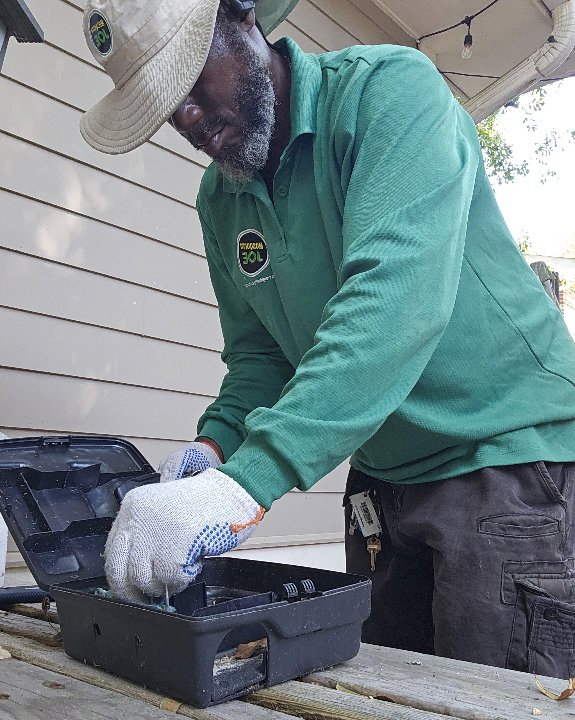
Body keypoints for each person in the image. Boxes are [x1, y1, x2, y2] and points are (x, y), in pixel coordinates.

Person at [81, 0, 575, 678]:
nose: (188, 118)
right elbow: (261, 353)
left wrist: (243, 486)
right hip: (380, 480)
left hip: (505, 461)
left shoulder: (390, 92)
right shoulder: (220, 198)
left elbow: (393, 307)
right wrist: (213, 446)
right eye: (166, 106)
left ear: (243, 17)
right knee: (384, 690)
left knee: (492, 697)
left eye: (192, 78)